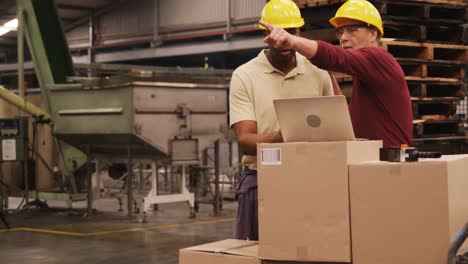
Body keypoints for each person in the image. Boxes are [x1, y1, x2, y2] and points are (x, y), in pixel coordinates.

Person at [229, 0, 336, 240]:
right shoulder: (245, 76)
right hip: (261, 176)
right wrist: (291, 135)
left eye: (292, 32)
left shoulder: (318, 72)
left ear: (300, 33)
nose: (284, 41)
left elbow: (335, 126)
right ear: (264, 34)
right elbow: (245, 140)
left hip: (311, 177)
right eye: (277, 33)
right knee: (257, 251)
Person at [260, 0, 413, 148]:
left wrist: (292, 41)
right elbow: (347, 123)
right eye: (340, 32)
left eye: (352, 30)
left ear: (373, 33)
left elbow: (335, 57)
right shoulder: (367, 76)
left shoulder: (379, 59)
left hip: (388, 168)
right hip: (371, 164)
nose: (344, 38)